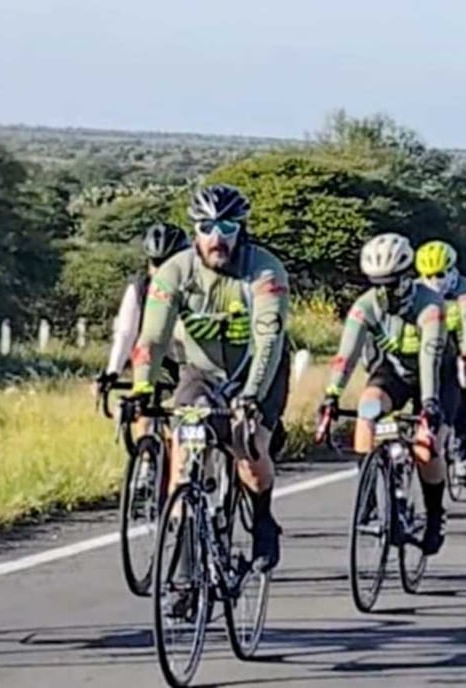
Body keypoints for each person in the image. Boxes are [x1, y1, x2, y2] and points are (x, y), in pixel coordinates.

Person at [131, 184, 289, 573]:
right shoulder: (174, 272)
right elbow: (151, 338)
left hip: (257, 369)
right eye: (207, 226)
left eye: (228, 226)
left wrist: (251, 396)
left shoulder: (264, 270)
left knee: (248, 448)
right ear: (195, 229)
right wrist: (141, 388)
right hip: (200, 371)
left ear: (242, 228)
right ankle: (186, 569)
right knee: (184, 452)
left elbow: (269, 341)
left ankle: (263, 521)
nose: (217, 237)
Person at [320, 233, 449, 555]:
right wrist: (331, 395)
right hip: (393, 372)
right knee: (367, 408)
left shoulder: (430, 304)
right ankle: (370, 495)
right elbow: (345, 355)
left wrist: (430, 404)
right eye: (377, 284)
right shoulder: (366, 306)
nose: (384, 292)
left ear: (407, 277)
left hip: (433, 377)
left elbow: (430, 355)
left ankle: (435, 517)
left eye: (391, 283)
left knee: (424, 448)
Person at [95, 222, 189, 426]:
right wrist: (113, 371)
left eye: (169, 263)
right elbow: (126, 332)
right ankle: (146, 452)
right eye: (156, 263)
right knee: (144, 417)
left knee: (185, 422)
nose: (161, 271)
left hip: (191, 362)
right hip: (156, 358)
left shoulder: (197, 286)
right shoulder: (140, 287)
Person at [415, 240, 466, 485]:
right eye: (428, 275)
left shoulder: (463, 286)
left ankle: (462, 457)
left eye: (440, 274)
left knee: (461, 397)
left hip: (460, 340)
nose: (435, 279)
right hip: (433, 342)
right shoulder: (418, 289)